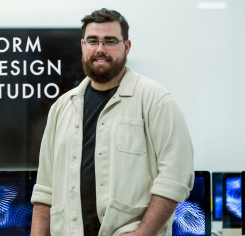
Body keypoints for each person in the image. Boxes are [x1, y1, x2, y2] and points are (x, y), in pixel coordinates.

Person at [30, 8, 194, 236]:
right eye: (93, 41)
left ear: (126, 47)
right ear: (82, 46)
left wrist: (143, 233)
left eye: (110, 41)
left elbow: (175, 177)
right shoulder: (61, 108)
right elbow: (45, 190)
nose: (100, 49)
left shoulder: (155, 100)